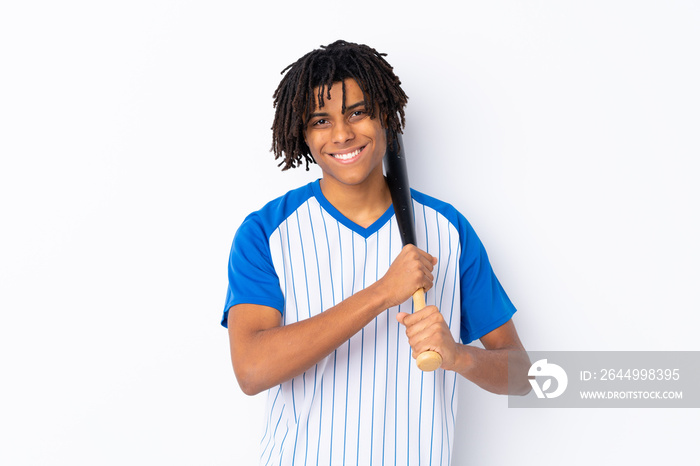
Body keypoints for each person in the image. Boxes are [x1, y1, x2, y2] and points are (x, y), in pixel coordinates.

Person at [222, 40, 530, 465]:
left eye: (358, 112)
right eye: (321, 120)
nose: (343, 134)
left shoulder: (448, 228)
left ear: (385, 113)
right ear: (302, 133)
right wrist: (383, 293)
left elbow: (522, 373)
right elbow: (252, 370)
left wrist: (458, 356)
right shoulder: (265, 232)